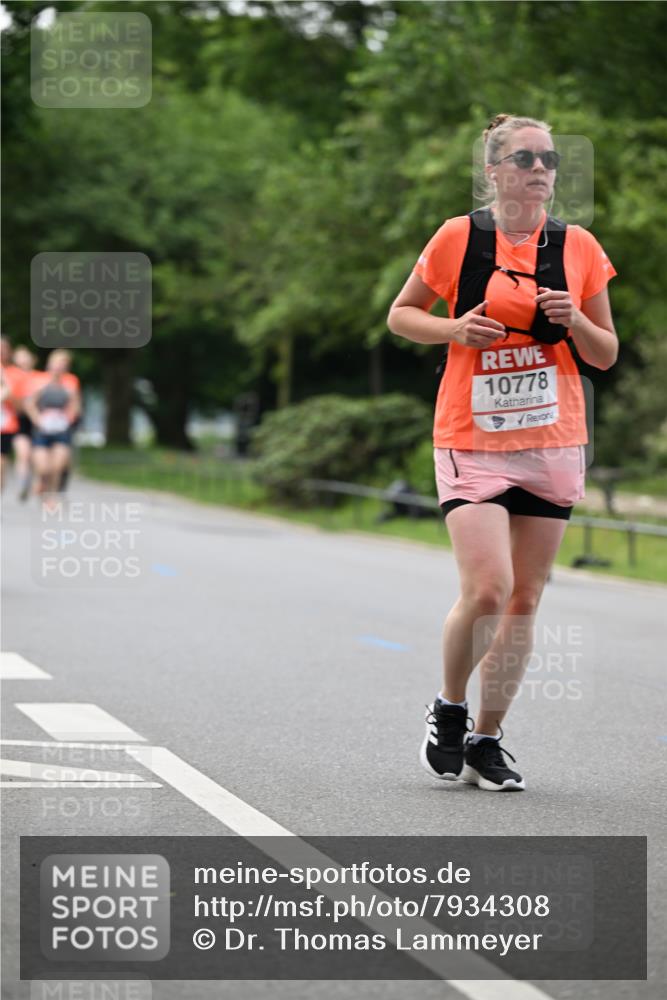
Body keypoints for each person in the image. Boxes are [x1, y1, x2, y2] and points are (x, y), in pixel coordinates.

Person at [387, 114, 618, 791]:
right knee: (486, 589)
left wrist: (573, 318)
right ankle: (449, 709)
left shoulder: (576, 246)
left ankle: (487, 740)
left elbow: (604, 353)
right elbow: (402, 313)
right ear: (492, 168)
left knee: (523, 598)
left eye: (548, 157)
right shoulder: (458, 237)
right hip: (472, 437)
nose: (539, 168)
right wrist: (454, 328)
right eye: (523, 157)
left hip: (551, 442)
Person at [23, 349, 81, 497]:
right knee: (43, 467)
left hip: (62, 430)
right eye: (57, 364)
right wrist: (38, 419)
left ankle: (52, 495)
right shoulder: (40, 381)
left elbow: (76, 405)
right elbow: (29, 404)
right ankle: (40, 479)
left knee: (58, 465)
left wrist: (69, 418)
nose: (59, 367)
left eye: (63, 364)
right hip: (42, 430)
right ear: (50, 364)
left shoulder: (71, 381)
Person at [11, 345, 38, 500]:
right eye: (19, 356)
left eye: (25, 356)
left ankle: (34, 481)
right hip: (19, 420)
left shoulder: (39, 377)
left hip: (38, 421)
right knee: (23, 454)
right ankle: (22, 484)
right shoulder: (11, 376)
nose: (23, 359)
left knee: (35, 455)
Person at [0, 336, 25, 491]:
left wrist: (8, 390)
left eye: (4, 349)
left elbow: (20, 407)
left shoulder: (16, 374)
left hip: (5, 426)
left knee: (1, 464)